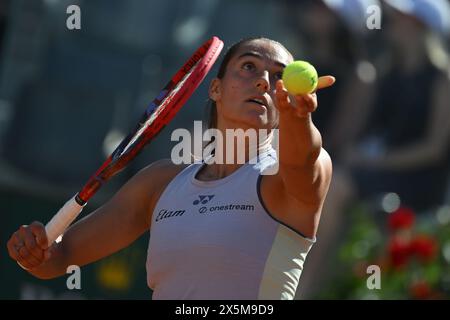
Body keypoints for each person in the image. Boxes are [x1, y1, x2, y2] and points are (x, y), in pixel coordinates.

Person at [6, 37, 335, 300]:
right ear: (215, 88)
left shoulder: (292, 174)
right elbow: (58, 259)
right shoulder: (159, 183)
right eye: (249, 66)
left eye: (279, 76)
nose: (264, 82)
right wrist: (34, 251)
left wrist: (299, 118)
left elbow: (302, 160)